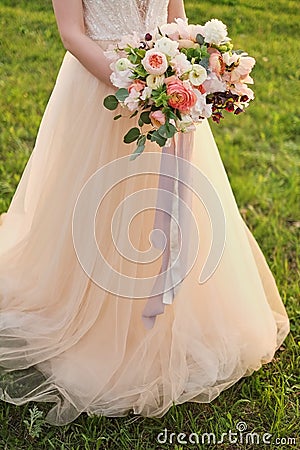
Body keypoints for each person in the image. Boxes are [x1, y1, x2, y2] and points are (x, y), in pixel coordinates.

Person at [0, 0, 290, 426]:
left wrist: (195, 64)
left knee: (175, 196)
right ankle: (94, 316)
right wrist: (133, 88)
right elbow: (73, 35)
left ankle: (178, 312)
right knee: (97, 201)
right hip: (102, 91)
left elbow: (175, 17)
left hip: (168, 90)